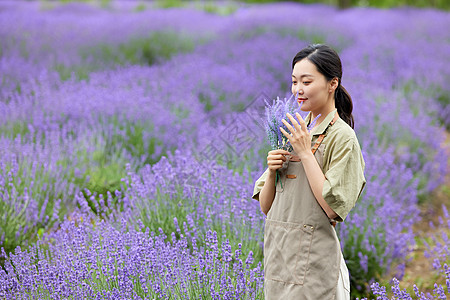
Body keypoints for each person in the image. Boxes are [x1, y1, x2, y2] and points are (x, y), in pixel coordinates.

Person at [252, 44, 366, 299]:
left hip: (313, 265)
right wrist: (272, 171)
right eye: (294, 82)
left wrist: (304, 153)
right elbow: (266, 206)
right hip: (278, 259)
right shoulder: (295, 130)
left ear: (332, 83)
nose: (297, 90)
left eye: (306, 81)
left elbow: (332, 207)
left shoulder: (342, 138)